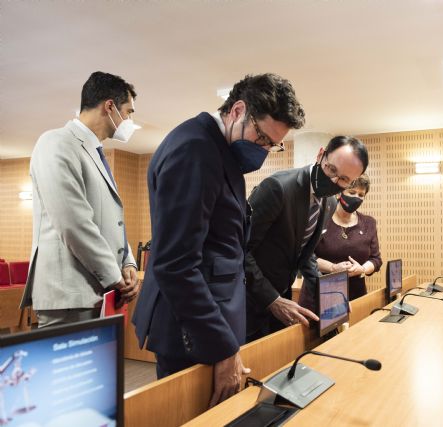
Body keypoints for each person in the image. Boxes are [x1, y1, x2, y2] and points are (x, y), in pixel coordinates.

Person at [132, 73, 305, 406]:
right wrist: (223, 346)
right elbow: (176, 264)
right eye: (262, 138)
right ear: (238, 110)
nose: (263, 151)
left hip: (212, 324)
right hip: (193, 331)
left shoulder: (217, 148)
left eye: (272, 145)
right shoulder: (194, 150)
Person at [20, 71, 140, 327]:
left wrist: (128, 262)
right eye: (128, 112)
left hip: (98, 293)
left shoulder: (97, 154)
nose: (129, 120)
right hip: (69, 296)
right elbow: (73, 223)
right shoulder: (56, 143)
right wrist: (114, 276)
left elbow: (112, 220)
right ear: (110, 106)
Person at [245, 136, 369, 342]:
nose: (334, 181)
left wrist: (328, 293)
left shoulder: (329, 202)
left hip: (283, 298)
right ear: (321, 155)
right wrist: (272, 300)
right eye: (331, 170)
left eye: (344, 180)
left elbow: (306, 253)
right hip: (248, 299)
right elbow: (240, 250)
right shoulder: (278, 188)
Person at [312, 174, 382, 301]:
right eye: (352, 192)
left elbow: (376, 259)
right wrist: (332, 268)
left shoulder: (369, 223)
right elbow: (307, 257)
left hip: (356, 296)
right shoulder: (320, 219)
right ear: (339, 193)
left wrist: (362, 269)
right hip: (321, 295)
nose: (356, 198)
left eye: (361, 195)